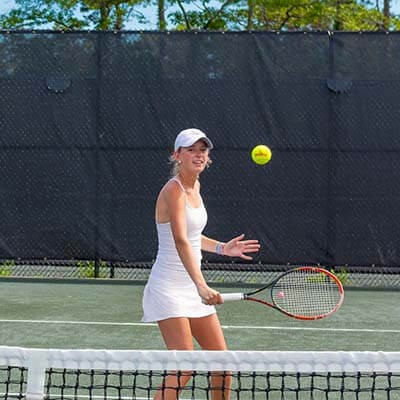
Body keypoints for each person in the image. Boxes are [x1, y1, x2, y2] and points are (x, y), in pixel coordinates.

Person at [142, 128, 260, 400]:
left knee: (223, 366)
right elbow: (181, 240)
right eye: (191, 150)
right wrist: (201, 286)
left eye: (203, 150)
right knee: (184, 368)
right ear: (177, 155)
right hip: (169, 289)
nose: (198, 155)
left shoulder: (196, 186)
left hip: (191, 289)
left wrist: (222, 248)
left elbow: (194, 236)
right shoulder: (174, 190)